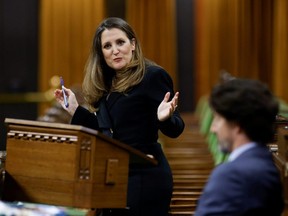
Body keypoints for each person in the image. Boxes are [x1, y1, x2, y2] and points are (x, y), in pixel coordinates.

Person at [54, 17, 185, 216]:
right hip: (115, 176)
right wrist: (74, 110)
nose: (114, 50)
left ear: (132, 44)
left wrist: (164, 118)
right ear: (101, 53)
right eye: (107, 46)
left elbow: (176, 128)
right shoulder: (107, 82)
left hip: (145, 177)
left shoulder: (152, 76)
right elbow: (106, 132)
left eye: (120, 42)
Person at [194, 78, 284, 216]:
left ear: (237, 125)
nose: (213, 128)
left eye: (218, 119)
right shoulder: (267, 164)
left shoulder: (232, 175)